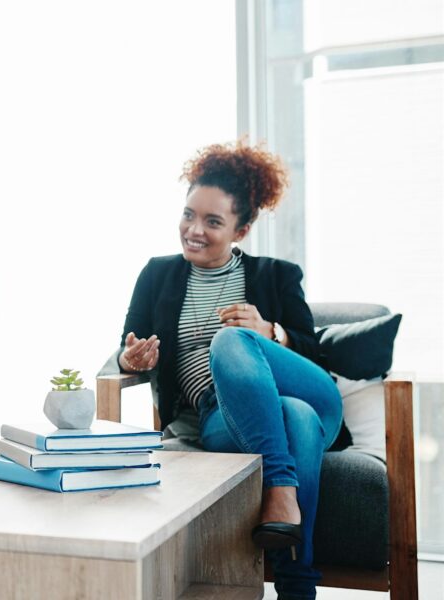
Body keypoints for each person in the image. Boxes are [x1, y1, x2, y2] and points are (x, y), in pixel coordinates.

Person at [116, 141, 341, 599]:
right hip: (222, 419)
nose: (194, 230)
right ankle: (299, 585)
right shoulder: (157, 275)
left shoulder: (277, 275)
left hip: (316, 399)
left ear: (242, 229)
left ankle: (279, 485)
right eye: (188, 215)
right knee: (293, 416)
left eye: (213, 221)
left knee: (235, 340)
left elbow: (313, 355)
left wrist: (269, 331)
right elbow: (127, 346)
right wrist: (131, 359)